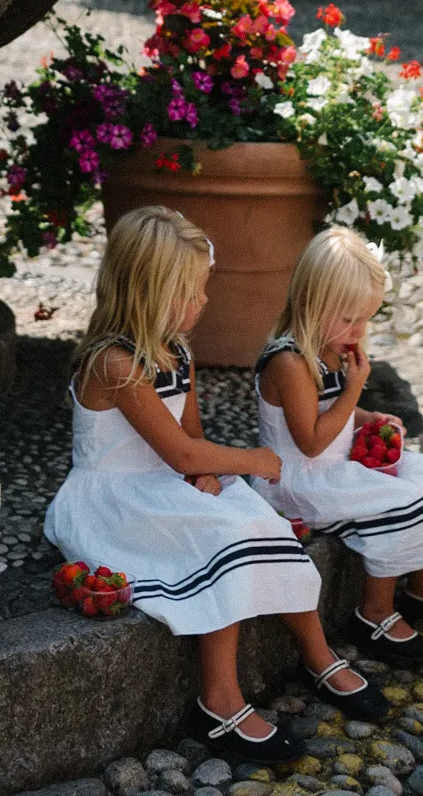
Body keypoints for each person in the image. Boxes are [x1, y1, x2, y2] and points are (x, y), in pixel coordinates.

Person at [43, 207, 382, 760]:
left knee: (260, 525)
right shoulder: (114, 363)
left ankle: (317, 655)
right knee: (219, 542)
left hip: (163, 482)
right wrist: (250, 460)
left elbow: (191, 439)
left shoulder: (176, 352)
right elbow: (177, 449)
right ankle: (218, 700)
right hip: (111, 499)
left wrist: (206, 473)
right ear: (148, 292)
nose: (203, 303)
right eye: (191, 292)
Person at [254, 228, 423, 672]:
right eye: (351, 319)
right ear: (315, 302)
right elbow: (310, 442)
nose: (359, 331)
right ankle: (373, 612)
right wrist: (355, 391)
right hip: (297, 479)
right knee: (399, 504)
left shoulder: (329, 348)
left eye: (367, 320)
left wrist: (370, 419)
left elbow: (337, 413)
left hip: (335, 464)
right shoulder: (290, 362)